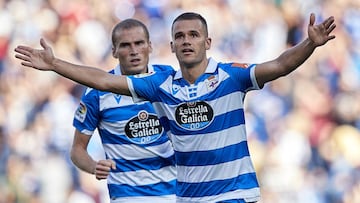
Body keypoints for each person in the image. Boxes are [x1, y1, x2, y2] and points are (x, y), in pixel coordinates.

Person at [14, 12, 336, 203]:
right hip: (171, 197)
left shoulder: (230, 77)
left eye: (194, 35)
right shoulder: (163, 87)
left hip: (229, 196)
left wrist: (309, 44)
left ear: (207, 42)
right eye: (180, 36)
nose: (186, 41)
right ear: (171, 46)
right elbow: (103, 81)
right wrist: (55, 65)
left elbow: (278, 65)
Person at [70, 19, 177, 202]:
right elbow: (77, 150)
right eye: (126, 45)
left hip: (174, 194)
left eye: (139, 43)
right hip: (127, 196)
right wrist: (94, 167)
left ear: (150, 46)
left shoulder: (169, 78)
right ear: (114, 51)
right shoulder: (97, 93)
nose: (134, 51)